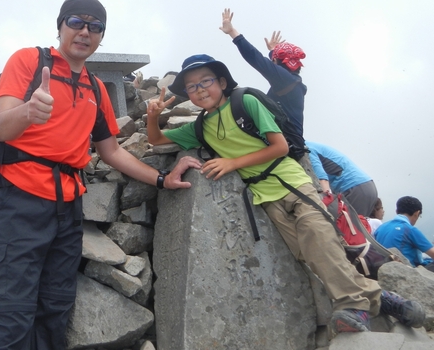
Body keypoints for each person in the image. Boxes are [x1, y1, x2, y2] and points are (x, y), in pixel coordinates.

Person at [0, 0, 202, 350]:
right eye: (76, 22)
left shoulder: (96, 88)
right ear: (60, 26)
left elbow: (112, 150)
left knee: (55, 309)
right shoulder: (27, 61)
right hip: (18, 200)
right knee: (11, 309)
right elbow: (3, 129)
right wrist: (28, 112)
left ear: (101, 35)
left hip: (68, 209)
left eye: (95, 26)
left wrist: (161, 179)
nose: (85, 31)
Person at [146, 54, 425, 334]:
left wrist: (232, 163)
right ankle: (382, 299)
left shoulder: (245, 102)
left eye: (205, 81)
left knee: (320, 238)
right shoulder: (200, 127)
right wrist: (153, 117)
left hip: (292, 183)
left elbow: (279, 146)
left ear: (221, 81)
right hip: (265, 198)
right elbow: (156, 139)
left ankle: (354, 306)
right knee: (309, 253)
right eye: (192, 86)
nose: (200, 89)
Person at [219, 8, 307, 137]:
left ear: (276, 61)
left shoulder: (285, 80)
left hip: (286, 140)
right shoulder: (291, 81)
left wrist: (232, 32)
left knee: (242, 97)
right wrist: (273, 51)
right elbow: (276, 67)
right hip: (289, 138)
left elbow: (255, 58)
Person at [306, 141, 378, 217]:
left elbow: (322, 180)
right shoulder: (311, 146)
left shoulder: (307, 149)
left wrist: (327, 207)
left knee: (348, 226)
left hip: (354, 188)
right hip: (362, 186)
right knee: (353, 226)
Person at [375, 196, 434, 272]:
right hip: (404, 271)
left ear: (396, 211)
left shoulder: (381, 227)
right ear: (417, 213)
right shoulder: (410, 230)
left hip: (381, 269)